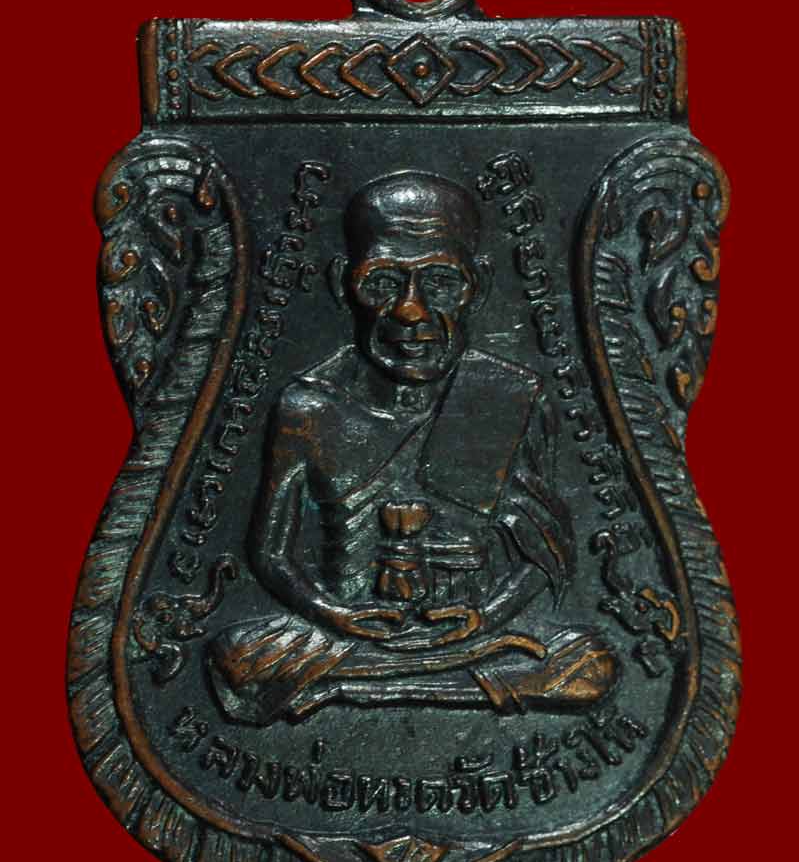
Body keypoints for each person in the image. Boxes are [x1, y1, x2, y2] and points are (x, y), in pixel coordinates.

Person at [209, 171, 616, 724]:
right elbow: (272, 554)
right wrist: (334, 614)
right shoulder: (309, 406)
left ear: (479, 285)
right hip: (350, 632)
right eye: (382, 283)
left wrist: (486, 615)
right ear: (343, 285)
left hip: (466, 632)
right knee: (238, 659)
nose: (410, 310)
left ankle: (352, 691)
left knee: (590, 665)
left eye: (441, 282)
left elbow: (542, 551)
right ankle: (411, 683)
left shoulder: (504, 393)